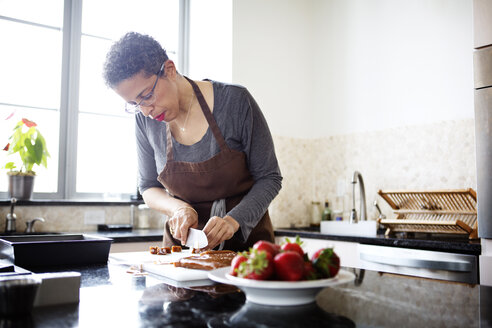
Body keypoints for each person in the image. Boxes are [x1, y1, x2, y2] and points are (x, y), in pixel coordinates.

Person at [103, 32, 282, 251]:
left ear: (169, 70)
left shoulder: (236, 102)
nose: (146, 110)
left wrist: (232, 221)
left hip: (248, 249)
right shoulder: (144, 121)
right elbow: (148, 186)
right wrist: (179, 209)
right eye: (134, 104)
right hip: (182, 251)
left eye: (147, 95)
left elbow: (269, 178)